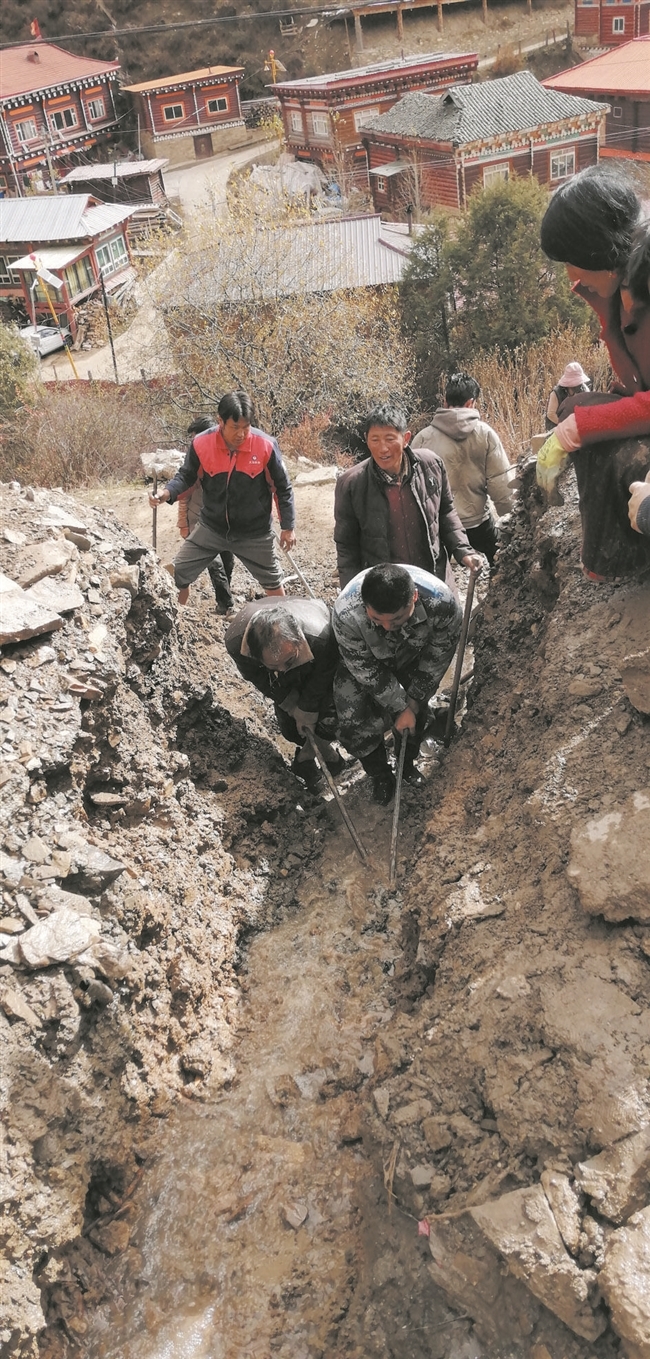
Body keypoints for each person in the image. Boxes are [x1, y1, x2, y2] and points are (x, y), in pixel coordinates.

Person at [333, 563, 462, 805]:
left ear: (414, 597)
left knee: (415, 717)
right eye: (376, 619)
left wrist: (413, 702)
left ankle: (406, 764)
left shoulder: (441, 603)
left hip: (412, 655)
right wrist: (399, 707)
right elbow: (364, 668)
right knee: (351, 720)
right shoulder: (346, 613)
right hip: (367, 663)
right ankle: (380, 775)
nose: (387, 627)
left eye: (397, 619)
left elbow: (438, 654)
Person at [149, 391, 296, 603]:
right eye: (235, 427)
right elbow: (187, 477)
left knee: (273, 583)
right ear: (220, 421)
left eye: (246, 427)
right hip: (212, 527)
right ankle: (174, 625)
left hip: (254, 532)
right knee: (177, 575)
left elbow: (283, 487)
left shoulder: (265, 446)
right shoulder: (201, 443)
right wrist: (166, 493)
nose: (241, 434)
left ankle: (285, 624)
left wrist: (288, 527)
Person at [334, 404, 483, 590]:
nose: (383, 449)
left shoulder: (431, 466)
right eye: (375, 440)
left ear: (406, 439)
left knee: (445, 618)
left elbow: (446, 512)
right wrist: (352, 591)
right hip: (386, 587)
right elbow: (346, 545)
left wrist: (463, 550)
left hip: (433, 577)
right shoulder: (352, 484)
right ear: (366, 440)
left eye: (390, 439)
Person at [225, 598, 344, 793]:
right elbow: (257, 677)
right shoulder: (236, 643)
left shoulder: (320, 635)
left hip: (317, 661)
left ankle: (316, 756)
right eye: (274, 665)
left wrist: (307, 708)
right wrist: (290, 704)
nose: (282, 668)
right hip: (278, 670)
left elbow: (325, 674)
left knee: (329, 718)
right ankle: (317, 756)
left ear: (297, 642)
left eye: (287, 662)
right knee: (292, 729)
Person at [412, 373, 515, 567]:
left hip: (439, 525)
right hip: (478, 522)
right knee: (501, 562)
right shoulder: (485, 434)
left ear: (444, 401)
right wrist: (512, 519)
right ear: (471, 403)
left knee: (435, 573)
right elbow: (500, 483)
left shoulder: (424, 438)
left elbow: (413, 485)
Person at [175, 417, 235, 615]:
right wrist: (183, 524)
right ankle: (227, 604)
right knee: (214, 563)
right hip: (199, 523)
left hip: (224, 522)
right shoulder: (193, 463)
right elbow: (183, 496)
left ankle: (222, 601)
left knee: (227, 561)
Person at [545, 362, 590, 431]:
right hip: (557, 428)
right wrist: (564, 425)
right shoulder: (557, 393)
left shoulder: (584, 390)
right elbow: (551, 414)